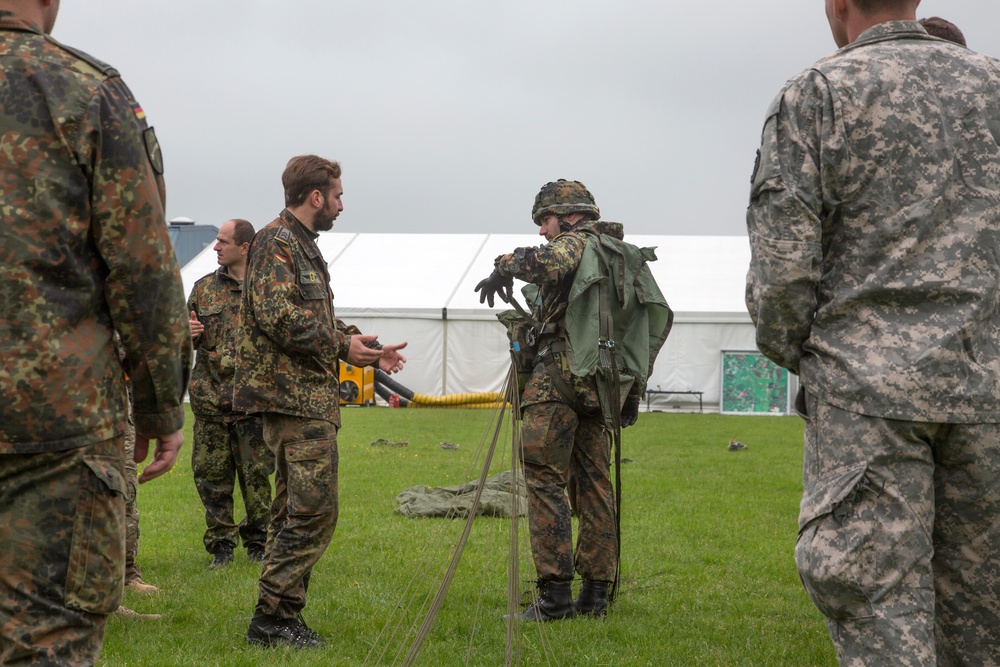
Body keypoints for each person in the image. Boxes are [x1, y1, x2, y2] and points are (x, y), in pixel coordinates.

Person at [745, 1, 1000, 664]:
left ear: (837, 6)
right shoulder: (994, 87)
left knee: (881, 620)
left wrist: (814, 354)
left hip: (866, 403)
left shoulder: (818, 97)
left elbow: (782, 276)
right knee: (984, 624)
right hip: (987, 397)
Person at [0, 1, 191, 665]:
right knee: (47, 643)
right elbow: (143, 268)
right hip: (55, 426)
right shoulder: (84, 90)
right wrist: (161, 403)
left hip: (54, 428)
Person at [234, 155, 407, 649]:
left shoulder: (300, 246)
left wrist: (361, 348)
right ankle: (269, 619)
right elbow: (276, 314)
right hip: (292, 401)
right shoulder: (277, 241)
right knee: (313, 513)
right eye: (337, 195)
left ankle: (282, 618)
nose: (341, 205)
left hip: (306, 398)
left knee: (294, 510)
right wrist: (340, 345)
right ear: (316, 197)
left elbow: (308, 316)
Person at [474, 180, 641, 621]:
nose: (543, 231)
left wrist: (503, 265)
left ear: (567, 215)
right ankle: (596, 595)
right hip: (600, 385)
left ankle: (554, 597)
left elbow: (548, 260)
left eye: (545, 221)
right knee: (595, 486)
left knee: (544, 480)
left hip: (558, 381)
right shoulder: (616, 253)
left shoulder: (576, 243)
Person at [188, 219, 275, 569]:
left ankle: (259, 543)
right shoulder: (203, 289)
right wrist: (187, 333)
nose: (216, 247)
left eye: (223, 242)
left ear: (245, 247)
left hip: (253, 404)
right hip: (211, 402)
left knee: (257, 481)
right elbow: (183, 339)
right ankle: (221, 547)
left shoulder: (266, 290)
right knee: (212, 480)